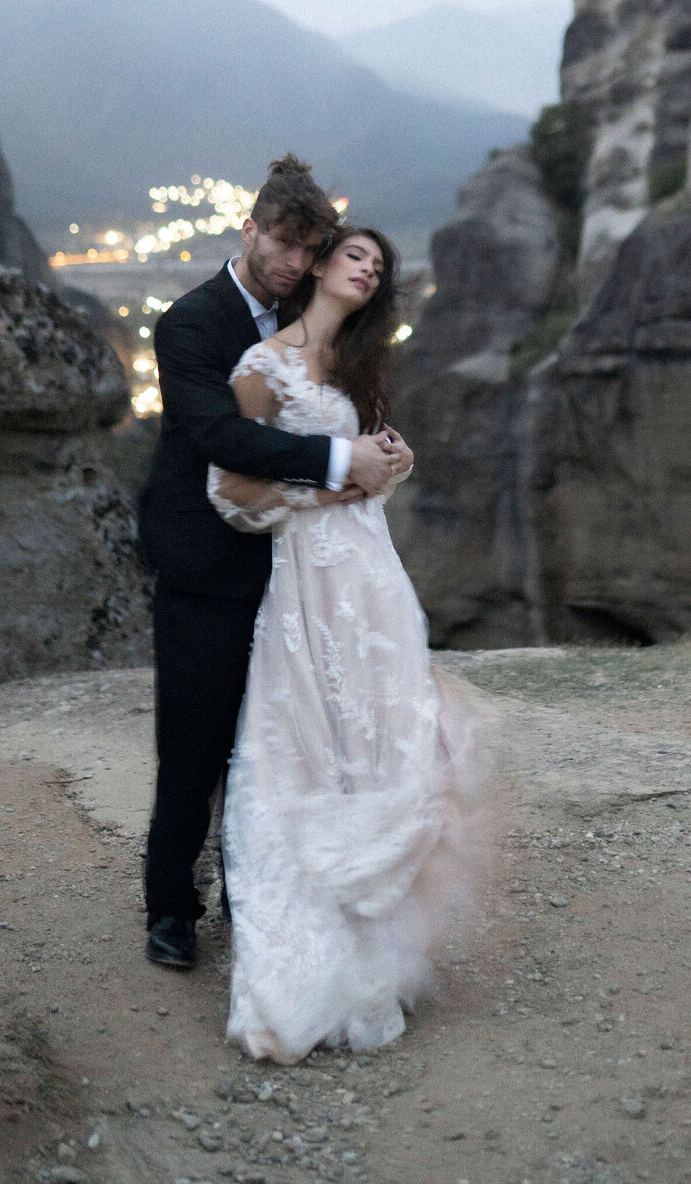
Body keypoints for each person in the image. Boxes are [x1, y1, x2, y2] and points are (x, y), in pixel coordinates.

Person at [208, 224, 486, 1062]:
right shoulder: (262, 368)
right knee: (312, 739)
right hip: (306, 578)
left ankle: (383, 951)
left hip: (370, 573)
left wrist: (384, 467)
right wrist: (340, 480)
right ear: (322, 263)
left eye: (380, 266)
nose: (367, 270)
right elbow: (233, 493)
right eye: (355, 256)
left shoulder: (359, 368)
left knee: (386, 726)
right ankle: (310, 968)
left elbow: (361, 476)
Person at [138, 156, 401, 969]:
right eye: (283, 243)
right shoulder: (189, 323)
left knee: (285, 737)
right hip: (206, 557)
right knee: (196, 737)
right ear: (249, 229)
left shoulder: (309, 313)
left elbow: (345, 396)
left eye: (307, 248)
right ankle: (171, 909)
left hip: (296, 565)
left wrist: (380, 448)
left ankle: (260, 890)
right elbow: (219, 438)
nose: (292, 262)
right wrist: (336, 461)